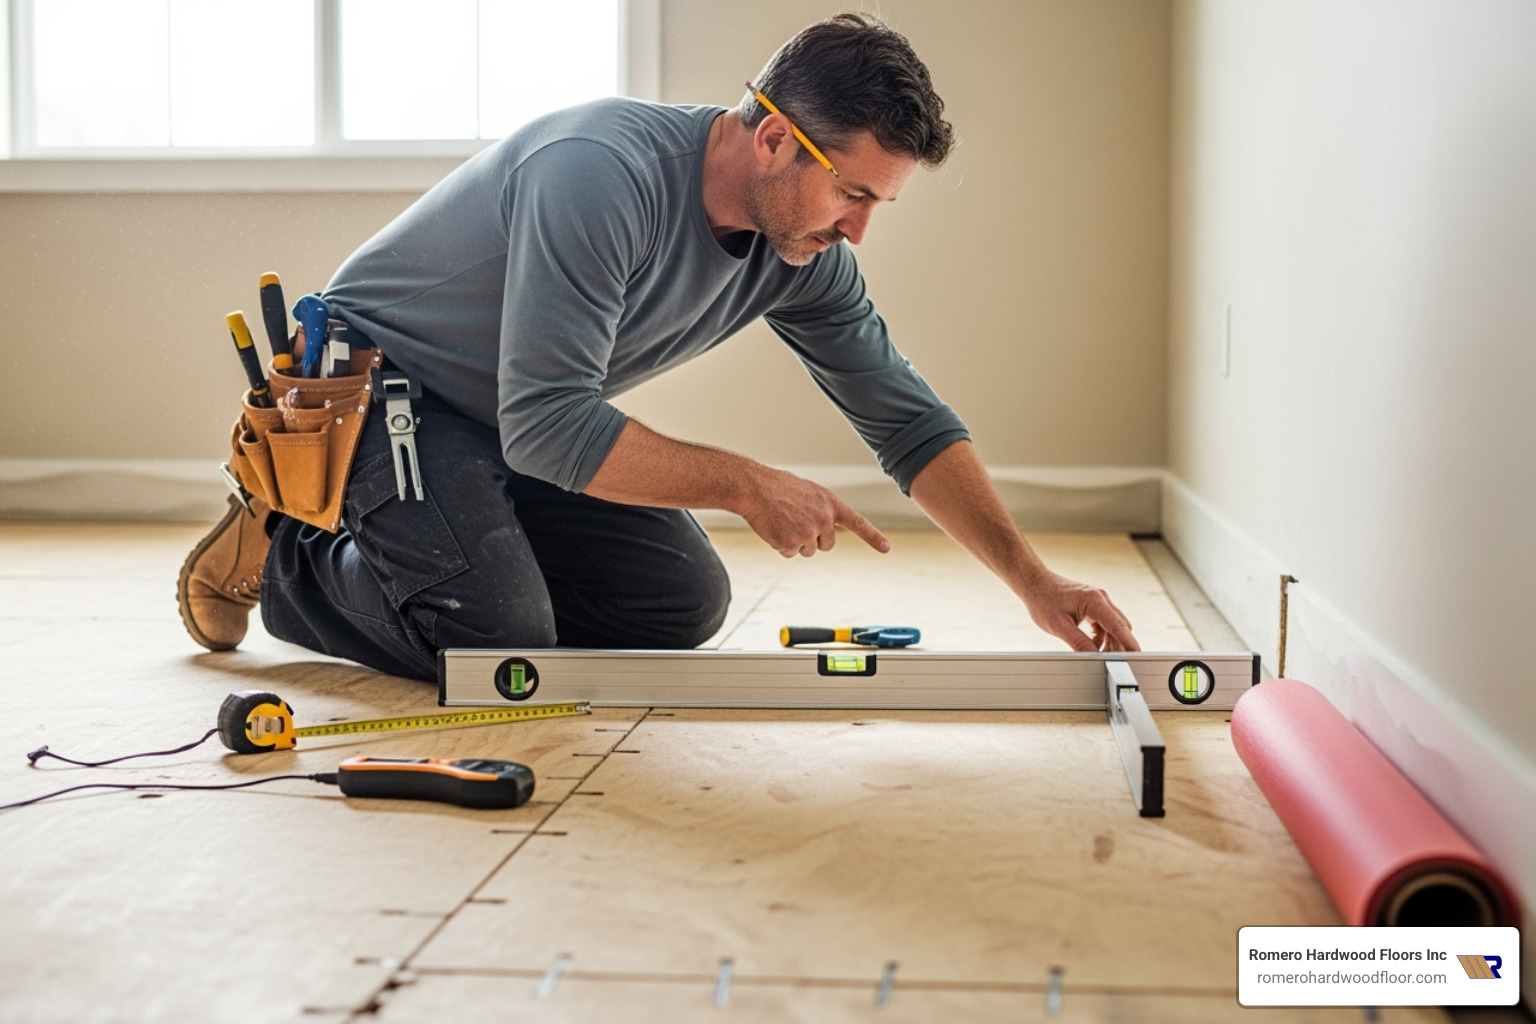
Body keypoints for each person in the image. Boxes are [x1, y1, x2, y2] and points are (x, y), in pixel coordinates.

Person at [177, 12, 1140, 679]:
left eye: (876, 204)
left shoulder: (798, 253)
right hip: (385, 393)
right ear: (771, 138)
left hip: (507, 425)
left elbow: (907, 420)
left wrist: (1033, 580)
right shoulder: (599, 175)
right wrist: (743, 482)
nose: (858, 233)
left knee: (677, 605)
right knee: (498, 638)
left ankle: (453, 545)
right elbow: (553, 425)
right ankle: (293, 544)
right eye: (852, 194)